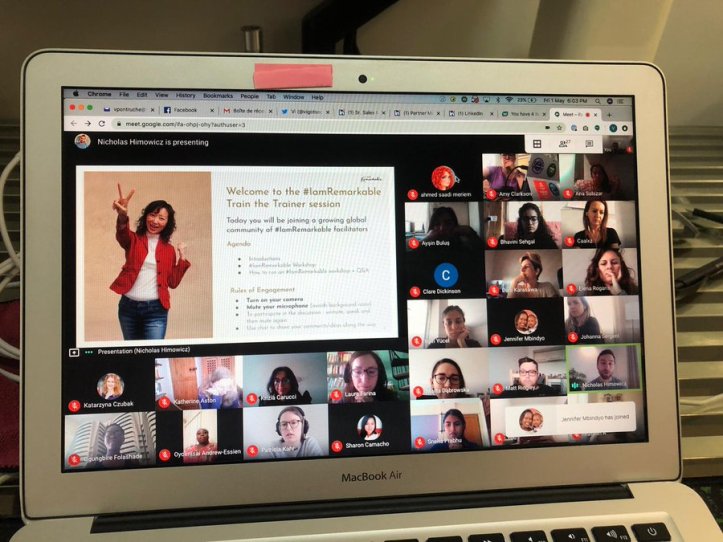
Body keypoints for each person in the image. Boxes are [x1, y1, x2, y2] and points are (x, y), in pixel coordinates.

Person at [110, 185, 190, 340]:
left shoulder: (169, 250)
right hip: (128, 308)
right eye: (152, 215)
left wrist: (182, 257)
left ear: (167, 223)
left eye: (161, 218)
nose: (155, 221)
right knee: (132, 351)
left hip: (156, 310)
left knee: (154, 351)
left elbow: (172, 282)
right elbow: (122, 233)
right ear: (145, 216)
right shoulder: (133, 240)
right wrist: (122, 216)